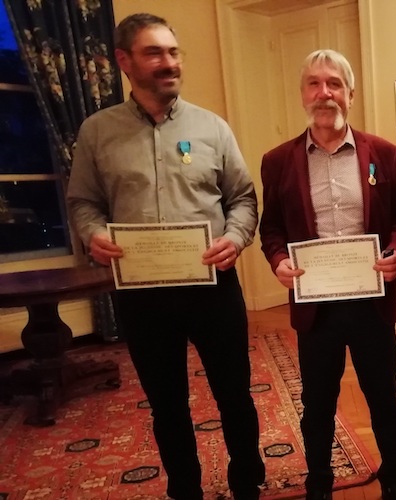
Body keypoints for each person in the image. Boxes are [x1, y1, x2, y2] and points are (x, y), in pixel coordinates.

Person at [66, 13, 264, 500]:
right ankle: (185, 489)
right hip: (143, 294)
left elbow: (243, 198)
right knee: (167, 404)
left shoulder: (212, 128)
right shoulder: (97, 132)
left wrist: (235, 237)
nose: (169, 62)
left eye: (173, 52)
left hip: (212, 287)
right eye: (154, 53)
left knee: (234, 394)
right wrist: (92, 233)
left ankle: (247, 483)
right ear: (124, 61)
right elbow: (83, 202)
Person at [258, 49, 396, 500]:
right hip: (316, 307)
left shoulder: (383, 153)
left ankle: (394, 479)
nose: (323, 93)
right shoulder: (278, 161)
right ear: (302, 93)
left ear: (350, 94)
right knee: (317, 404)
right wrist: (277, 260)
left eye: (334, 84)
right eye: (314, 83)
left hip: (372, 302)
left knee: (384, 397)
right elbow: (272, 228)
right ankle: (320, 483)